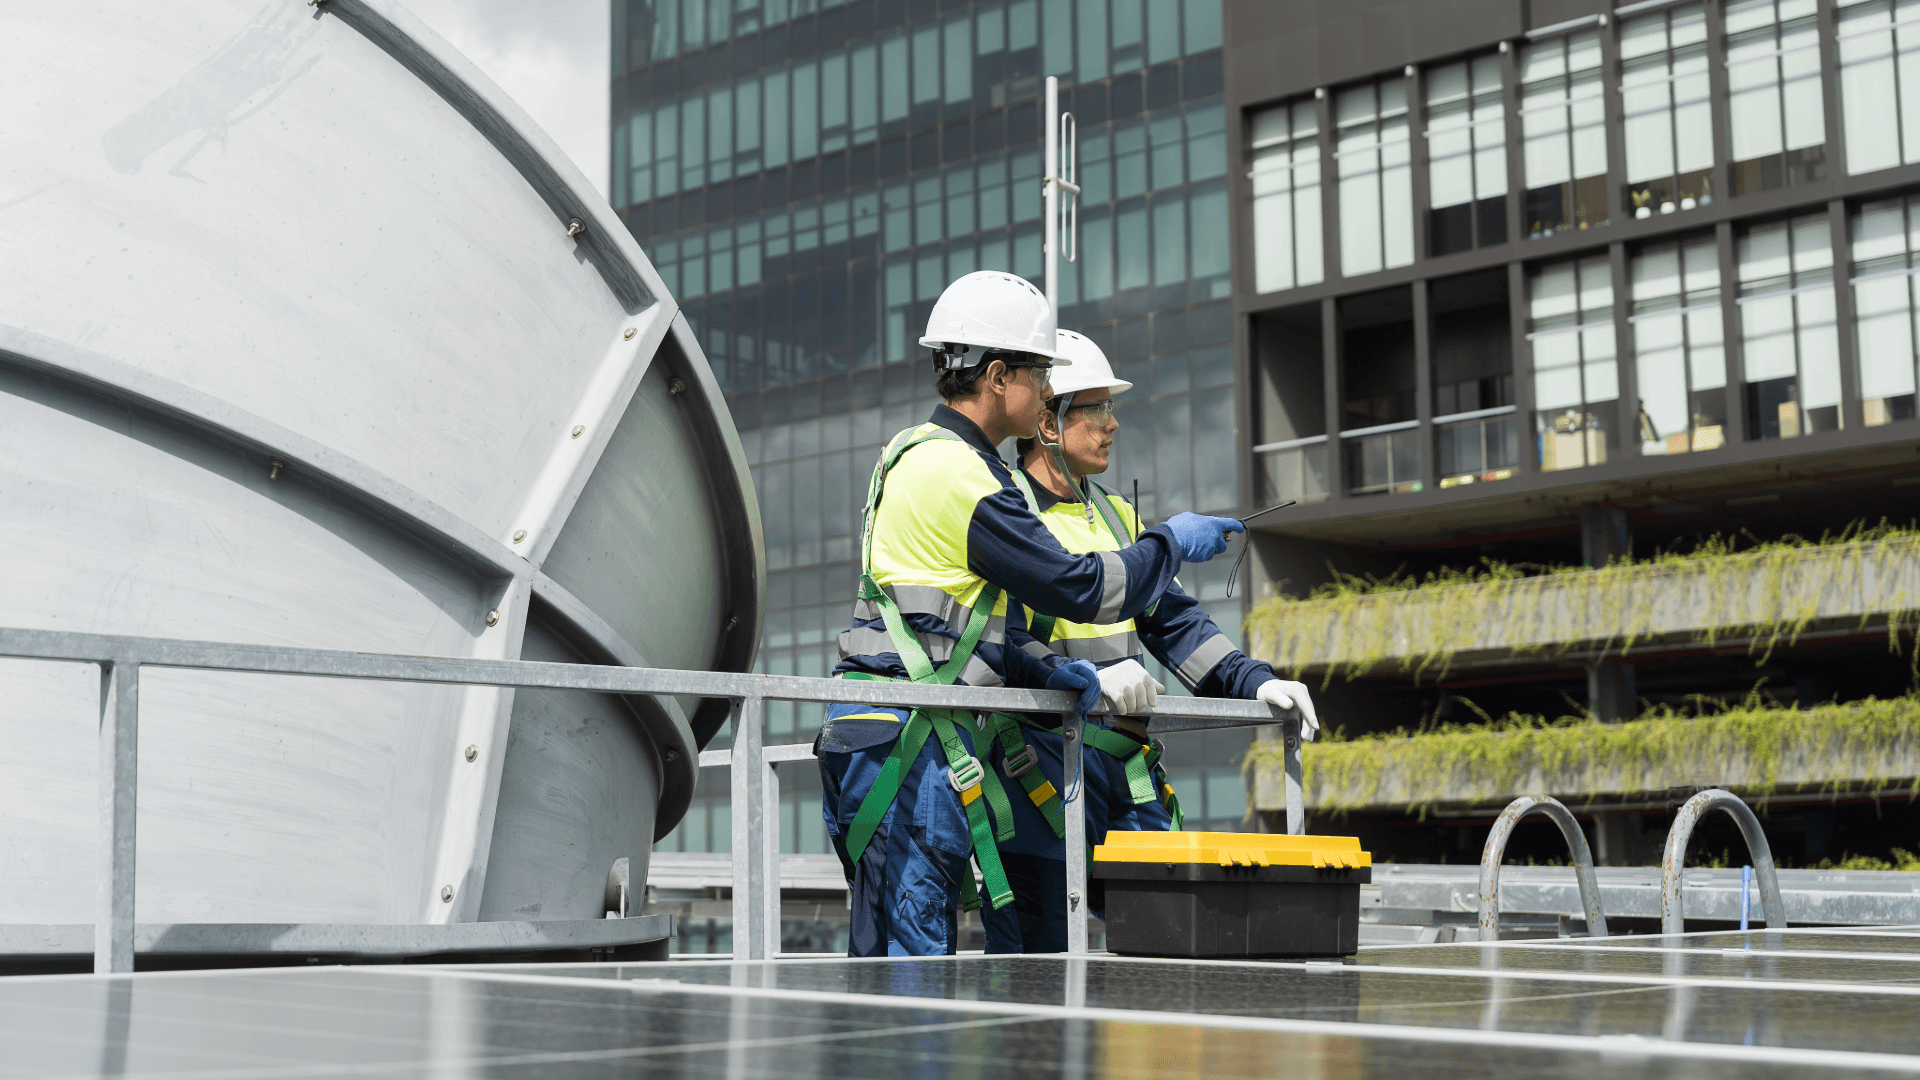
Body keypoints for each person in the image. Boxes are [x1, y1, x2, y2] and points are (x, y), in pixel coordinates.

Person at [815, 271, 1249, 957]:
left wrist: (1056, 670)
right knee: (913, 975)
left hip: (891, 733)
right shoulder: (963, 475)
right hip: (911, 744)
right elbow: (1081, 590)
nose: (1046, 390)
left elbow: (967, 628)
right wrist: (1168, 541)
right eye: (1039, 373)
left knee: (902, 967)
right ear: (996, 376)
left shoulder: (914, 456)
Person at [981, 327, 1322, 954]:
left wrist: (1256, 681)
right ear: (1050, 422)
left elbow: (1175, 623)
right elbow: (1003, 643)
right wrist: (1081, 679)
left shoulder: (1116, 517)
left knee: (1167, 947)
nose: (1113, 425)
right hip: (1040, 765)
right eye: (1097, 408)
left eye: (1113, 409)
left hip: (1122, 765)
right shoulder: (1008, 513)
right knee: (1037, 962)